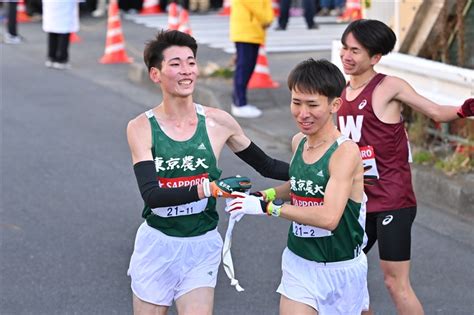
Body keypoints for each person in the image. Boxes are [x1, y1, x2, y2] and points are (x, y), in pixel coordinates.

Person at [126, 30, 289, 315]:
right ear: (155, 74)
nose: (186, 70)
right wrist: (210, 189)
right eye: (175, 64)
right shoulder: (141, 127)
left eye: (191, 62)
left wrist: (327, 170)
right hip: (158, 245)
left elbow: (267, 166)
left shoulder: (219, 122)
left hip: (202, 243)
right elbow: (152, 195)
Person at [337, 19, 474, 314]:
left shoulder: (388, 87)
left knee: (394, 282)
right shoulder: (339, 92)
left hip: (391, 200)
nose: (347, 56)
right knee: (344, 274)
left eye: (356, 51)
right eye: (345, 48)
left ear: (375, 57)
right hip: (354, 201)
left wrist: (466, 108)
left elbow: (435, 110)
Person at [226, 58, 369, 314]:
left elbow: (328, 218)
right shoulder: (299, 142)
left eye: (312, 105)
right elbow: (300, 184)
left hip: (341, 267)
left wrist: (266, 207)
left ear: (335, 104)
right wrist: (262, 195)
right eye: (296, 102)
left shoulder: (344, 152)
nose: (303, 113)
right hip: (299, 262)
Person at [229, 0, 274, 118]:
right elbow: (255, 3)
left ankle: (240, 102)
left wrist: (268, 18)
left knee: (247, 67)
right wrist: (267, 18)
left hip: (252, 29)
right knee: (244, 67)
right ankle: (239, 103)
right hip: (247, 29)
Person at [42, 0, 79, 70]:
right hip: (65, 7)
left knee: (52, 31)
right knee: (63, 32)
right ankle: (61, 59)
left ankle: (51, 57)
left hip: (51, 6)